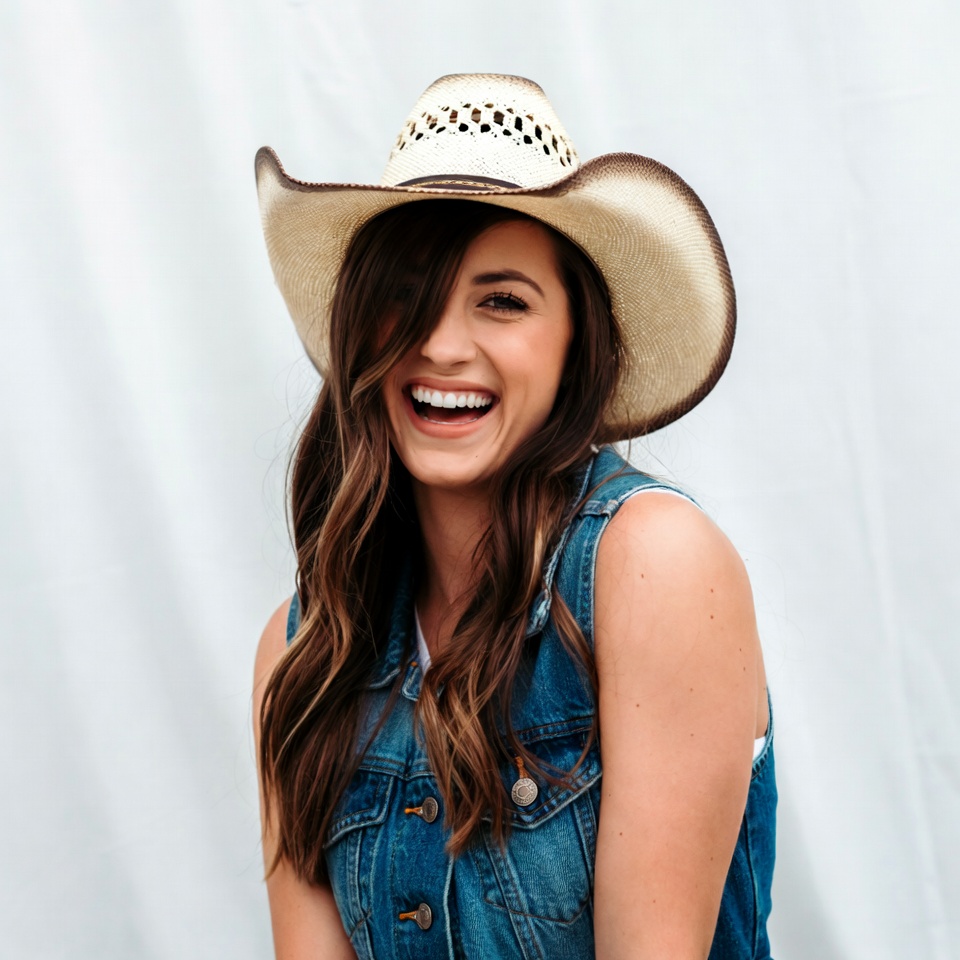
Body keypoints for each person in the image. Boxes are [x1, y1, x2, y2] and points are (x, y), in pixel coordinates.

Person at [252, 74, 775, 960]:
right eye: (405, 298)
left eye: (502, 300)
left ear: (580, 341)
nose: (441, 345)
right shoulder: (306, 651)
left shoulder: (651, 566)